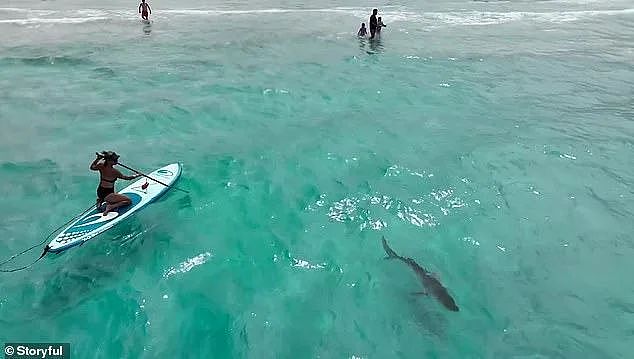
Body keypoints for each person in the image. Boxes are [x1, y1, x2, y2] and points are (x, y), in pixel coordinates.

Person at [90, 151, 141, 216]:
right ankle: (110, 206)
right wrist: (137, 175)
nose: (116, 161)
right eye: (114, 160)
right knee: (128, 201)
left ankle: (100, 200)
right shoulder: (114, 172)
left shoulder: (101, 165)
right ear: (109, 161)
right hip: (108, 194)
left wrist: (97, 159)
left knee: (112, 197)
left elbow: (92, 167)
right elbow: (127, 178)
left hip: (100, 191)